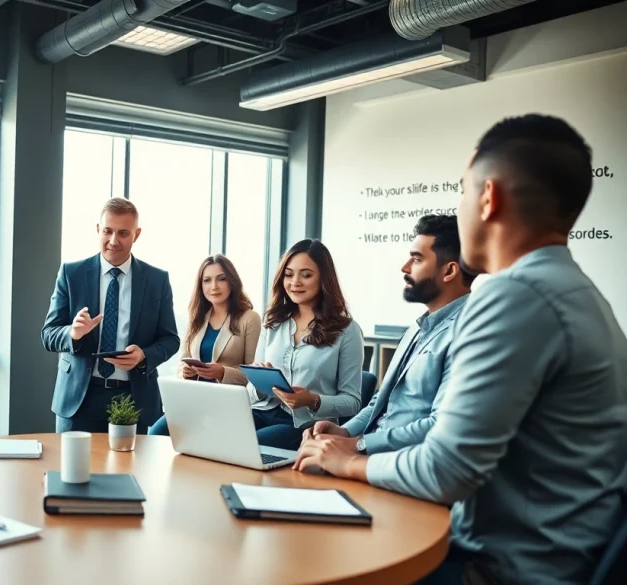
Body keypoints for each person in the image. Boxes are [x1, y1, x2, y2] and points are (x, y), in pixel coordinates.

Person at [294, 114, 627, 585]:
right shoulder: (575, 294)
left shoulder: (518, 296)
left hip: (497, 569)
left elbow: (444, 470)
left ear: (488, 198)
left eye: (462, 191)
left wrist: (347, 459)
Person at [298, 214, 473, 456]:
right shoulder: (416, 329)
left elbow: (440, 425)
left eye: (416, 259)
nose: (405, 267)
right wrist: (344, 432)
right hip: (371, 452)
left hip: (400, 462)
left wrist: (358, 445)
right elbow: (381, 402)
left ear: (450, 271)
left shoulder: (469, 332)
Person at [41, 197, 179, 432]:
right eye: (108, 231)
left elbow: (170, 339)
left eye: (123, 233)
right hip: (79, 399)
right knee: (74, 469)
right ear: (98, 229)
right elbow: (48, 334)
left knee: (134, 469)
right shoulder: (71, 274)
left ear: (136, 234)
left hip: (134, 399)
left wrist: (144, 356)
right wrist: (73, 333)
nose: (114, 241)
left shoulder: (157, 280)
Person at [248, 239, 363, 450]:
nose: (295, 283)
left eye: (306, 275)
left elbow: (353, 402)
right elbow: (251, 388)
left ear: (323, 279)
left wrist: (312, 400)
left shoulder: (347, 330)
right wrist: (260, 386)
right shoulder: (273, 322)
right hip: (260, 411)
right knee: (214, 437)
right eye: (289, 274)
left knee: (249, 445)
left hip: (304, 426)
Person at [148, 254, 262, 436]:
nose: (214, 287)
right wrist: (185, 372)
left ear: (232, 281)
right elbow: (181, 365)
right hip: (196, 400)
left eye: (221, 279)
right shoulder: (197, 318)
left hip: (228, 405)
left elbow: (254, 375)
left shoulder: (249, 319)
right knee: (156, 432)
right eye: (207, 280)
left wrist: (223, 372)